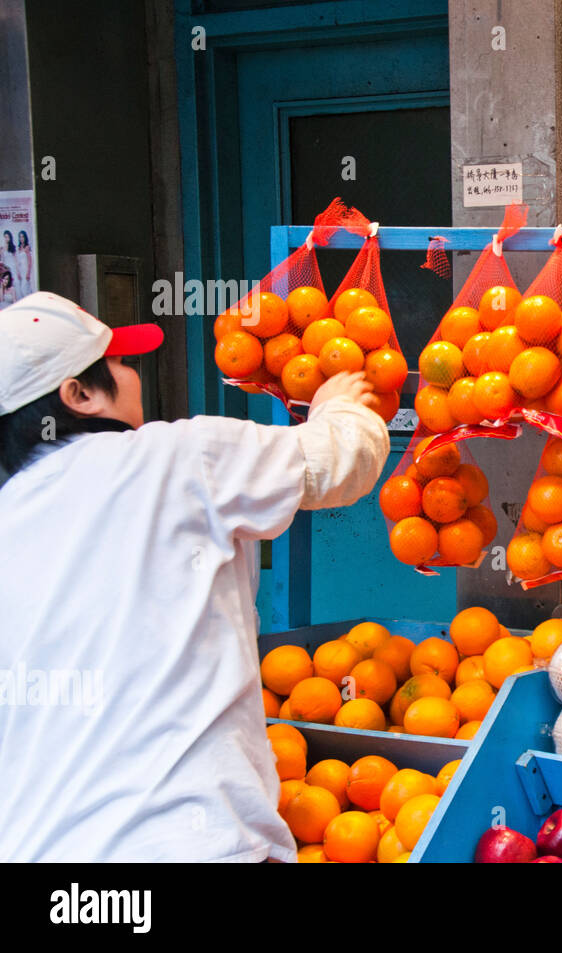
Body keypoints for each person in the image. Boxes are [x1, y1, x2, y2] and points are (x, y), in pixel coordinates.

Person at [0, 292, 390, 862]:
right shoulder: (175, 458)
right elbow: (341, 460)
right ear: (77, 394)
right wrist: (339, 402)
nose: (132, 374)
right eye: (116, 363)